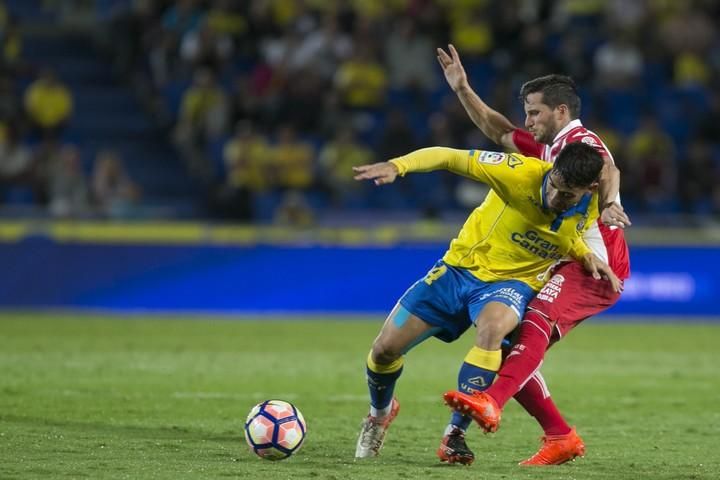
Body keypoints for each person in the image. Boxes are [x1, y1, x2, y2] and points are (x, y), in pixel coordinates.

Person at [352, 141, 622, 460]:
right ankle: (380, 414)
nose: (555, 199)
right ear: (552, 171)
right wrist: (398, 165)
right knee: (384, 350)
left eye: (567, 195)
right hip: (458, 269)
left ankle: (454, 436)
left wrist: (585, 254)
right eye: (555, 187)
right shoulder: (518, 173)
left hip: (512, 283)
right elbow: (449, 157)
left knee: (494, 330)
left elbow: (569, 230)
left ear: (589, 190)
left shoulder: (593, 207)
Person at [436, 44, 631, 466]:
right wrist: (463, 90)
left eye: (535, 112)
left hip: (596, 266)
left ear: (561, 111)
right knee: (508, 346)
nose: (528, 121)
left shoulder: (580, 142)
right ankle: (559, 436)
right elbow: (499, 130)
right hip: (567, 258)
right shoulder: (549, 148)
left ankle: (491, 401)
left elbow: (608, 169)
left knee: (536, 318)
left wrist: (611, 202)